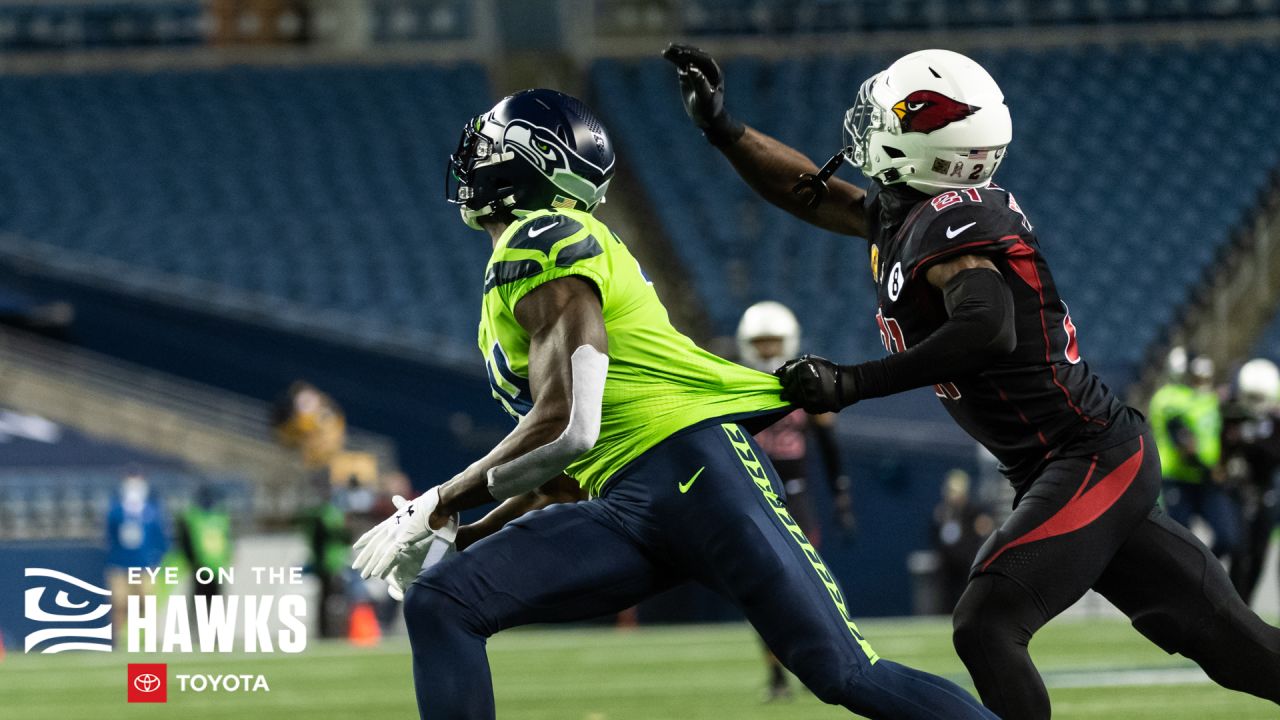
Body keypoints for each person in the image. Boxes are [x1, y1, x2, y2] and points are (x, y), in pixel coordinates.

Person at [663, 44, 1280, 718]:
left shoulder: (957, 223)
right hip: (1074, 458)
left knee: (986, 622)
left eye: (895, 113)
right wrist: (724, 129)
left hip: (1087, 457)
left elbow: (987, 326)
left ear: (932, 143)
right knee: (1233, 646)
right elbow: (808, 191)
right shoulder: (909, 213)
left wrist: (851, 383)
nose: (873, 121)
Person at [352, 88, 995, 720]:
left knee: (844, 674)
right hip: (630, 501)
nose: (477, 155)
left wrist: (436, 503)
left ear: (531, 162)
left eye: (493, 142)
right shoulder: (525, 263)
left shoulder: (542, 237)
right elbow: (572, 463)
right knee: (444, 600)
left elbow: (566, 426)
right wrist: (466, 537)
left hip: (700, 475)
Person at [736, 299, 855, 700]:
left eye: (774, 342)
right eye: (761, 342)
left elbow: (827, 439)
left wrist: (841, 493)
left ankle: (815, 663)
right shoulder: (734, 378)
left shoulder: (805, 377)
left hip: (797, 491)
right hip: (753, 489)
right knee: (760, 586)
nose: (768, 350)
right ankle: (776, 675)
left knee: (805, 584)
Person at [1150, 354, 1240, 559]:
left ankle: (1200, 571)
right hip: (1179, 478)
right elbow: (1183, 442)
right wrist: (1211, 469)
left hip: (1206, 480)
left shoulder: (1209, 399)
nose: (1202, 382)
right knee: (1178, 543)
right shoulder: (1169, 398)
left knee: (1228, 538)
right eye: (1197, 376)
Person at [1221, 358, 1280, 602]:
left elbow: (1275, 455)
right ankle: (1235, 605)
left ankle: (1246, 604)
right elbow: (1222, 449)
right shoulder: (1231, 415)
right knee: (1238, 548)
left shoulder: (1274, 422)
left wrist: (1248, 442)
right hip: (1237, 491)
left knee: (1258, 553)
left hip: (1265, 490)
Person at [104, 470, 170, 646]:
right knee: (119, 604)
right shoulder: (116, 512)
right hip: (120, 565)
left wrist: (155, 562)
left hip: (144, 566)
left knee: (147, 603)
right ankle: (116, 640)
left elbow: (160, 540)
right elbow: (110, 537)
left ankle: (147, 639)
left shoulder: (151, 512)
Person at [932, 470, 994, 611]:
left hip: (966, 559)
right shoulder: (943, 511)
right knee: (947, 594)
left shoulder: (973, 511)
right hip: (947, 561)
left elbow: (985, 528)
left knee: (965, 592)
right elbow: (935, 535)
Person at [176, 484, 233, 599]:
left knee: (205, 601)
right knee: (208, 600)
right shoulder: (218, 517)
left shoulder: (195, 517)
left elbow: (227, 538)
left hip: (210, 563)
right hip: (208, 564)